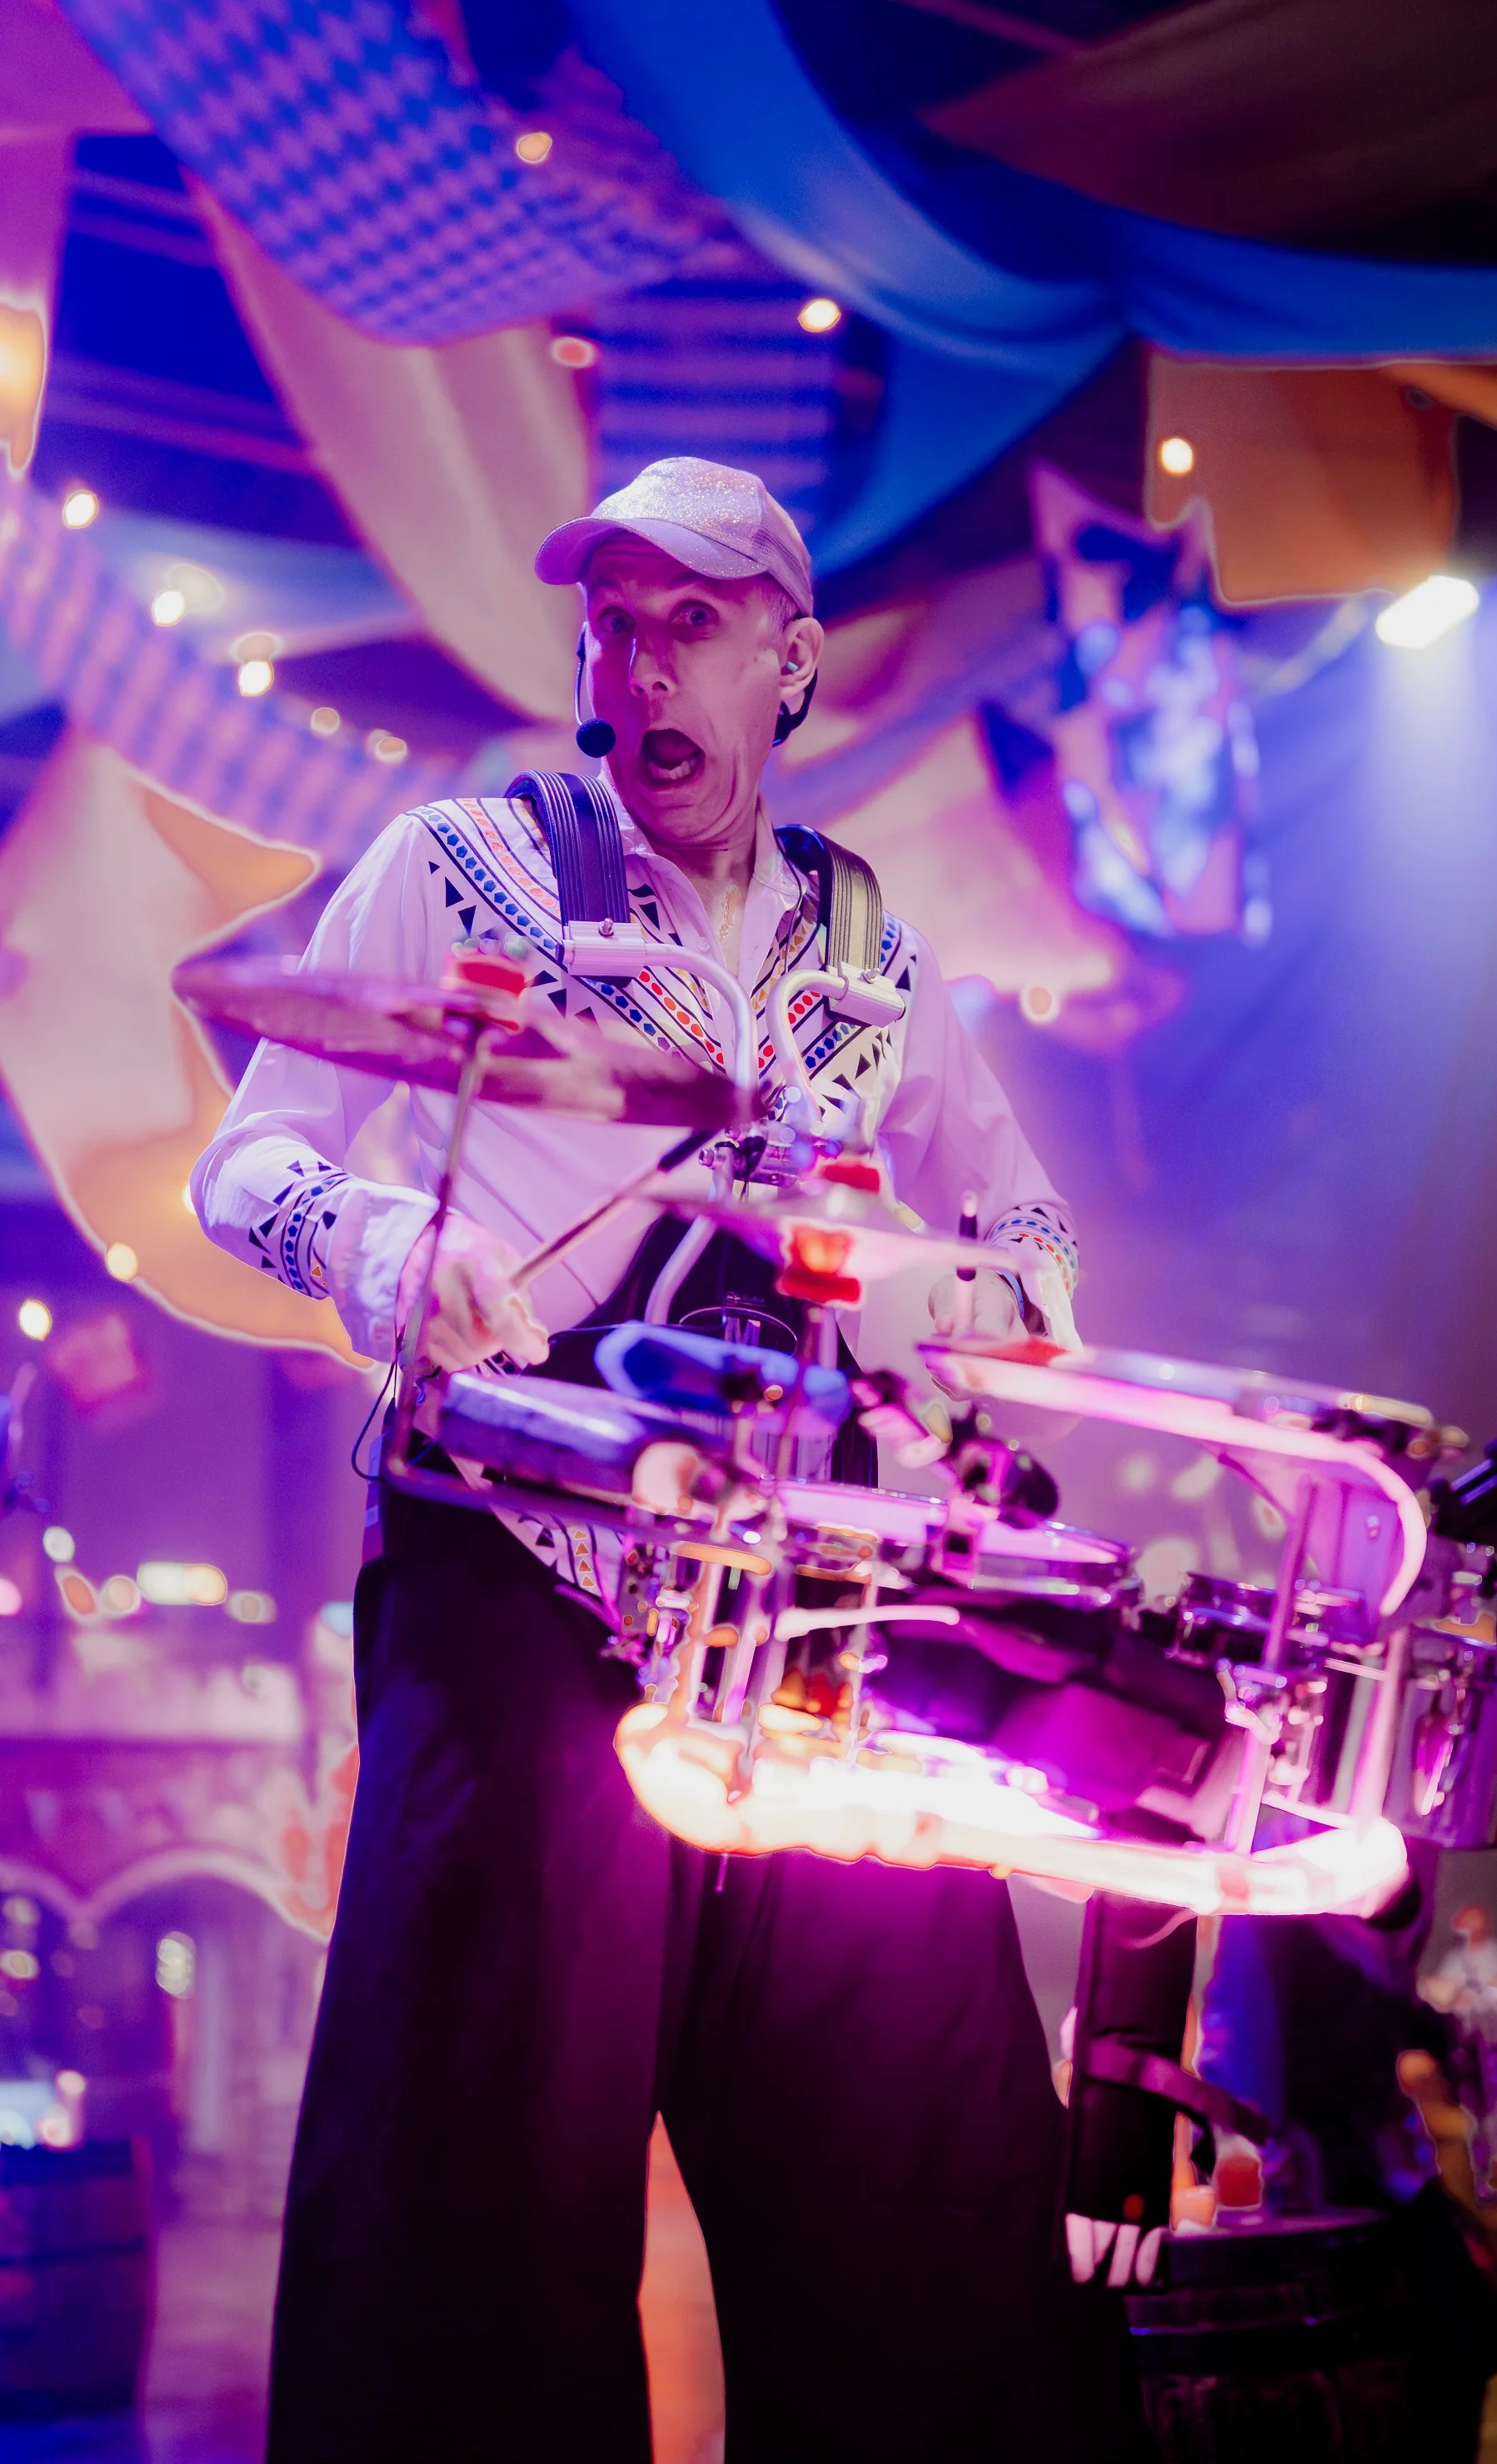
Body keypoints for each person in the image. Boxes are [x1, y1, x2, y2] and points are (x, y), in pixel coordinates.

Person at [192, 459, 1080, 2464]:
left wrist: (889, 1293)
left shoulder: (877, 962)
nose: (638, 660)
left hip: (811, 1635)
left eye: (689, 620)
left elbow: (1034, 1269)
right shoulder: (462, 866)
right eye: (611, 623)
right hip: (523, 1584)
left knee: (920, 2180)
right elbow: (247, 1157)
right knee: (470, 2205)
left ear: (790, 658)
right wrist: (382, 1247)